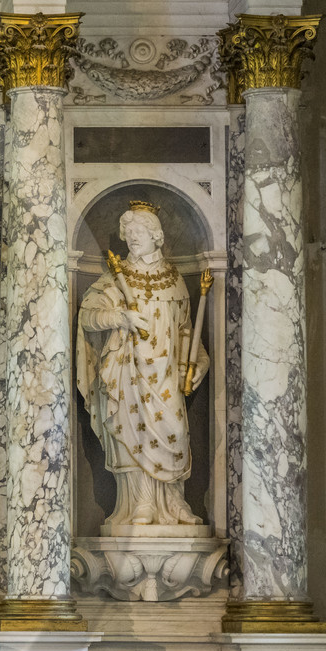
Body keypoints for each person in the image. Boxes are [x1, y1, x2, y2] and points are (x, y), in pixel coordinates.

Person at [75, 201, 209, 530]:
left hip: (164, 378)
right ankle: (140, 503)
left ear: (156, 236)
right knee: (129, 434)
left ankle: (174, 502)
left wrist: (197, 363)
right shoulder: (115, 279)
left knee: (175, 432)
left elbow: (187, 333)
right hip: (126, 373)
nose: (133, 239)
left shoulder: (176, 282)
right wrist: (120, 316)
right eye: (129, 233)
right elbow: (88, 318)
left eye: (139, 233)